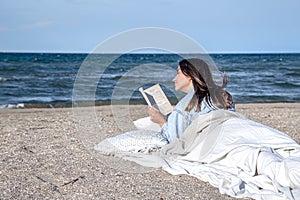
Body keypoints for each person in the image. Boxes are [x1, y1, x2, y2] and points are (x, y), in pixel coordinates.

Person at [148, 58, 235, 143]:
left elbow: (174, 141)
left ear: (189, 75)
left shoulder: (184, 106)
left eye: (178, 73)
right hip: (225, 139)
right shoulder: (222, 96)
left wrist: (161, 121)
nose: (174, 79)